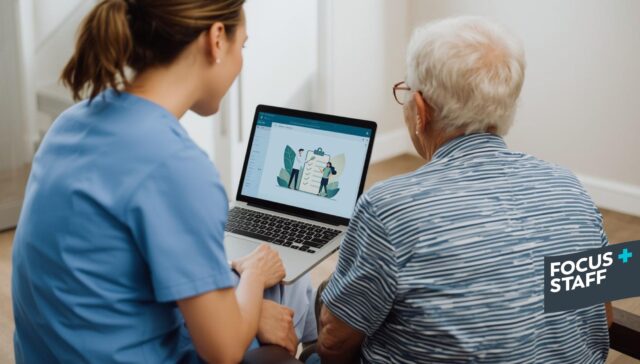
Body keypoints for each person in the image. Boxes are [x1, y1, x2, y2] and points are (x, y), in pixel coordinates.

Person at [11, 1, 315, 363]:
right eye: (243, 46)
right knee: (283, 283)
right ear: (217, 39)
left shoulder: (70, 123)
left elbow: (105, 284)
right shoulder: (176, 166)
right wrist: (252, 276)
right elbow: (225, 351)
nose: (241, 62)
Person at [314, 16, 610, 363]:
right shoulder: (570, 188)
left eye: (407, 93)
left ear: (421, 111)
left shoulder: (389, 208)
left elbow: (334, 343)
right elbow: (601, 317)